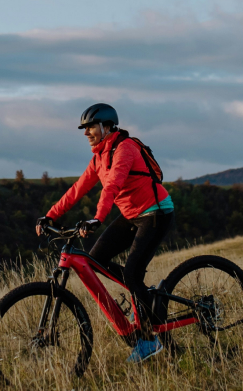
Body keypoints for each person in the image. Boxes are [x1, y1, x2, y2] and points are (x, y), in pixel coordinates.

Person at [36, 103, 174, 362]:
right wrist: (51, 214)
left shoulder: (125, 149)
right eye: (84, 129)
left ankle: (149, 341)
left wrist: (98, 218)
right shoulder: (99, 158)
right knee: (95, 260)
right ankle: (143, 296)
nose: (86, 133)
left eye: (90, 127)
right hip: (132, 214)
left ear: (107, 126)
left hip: (156, 212)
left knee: (132, 272)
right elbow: (78, 189)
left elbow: (112, 186)